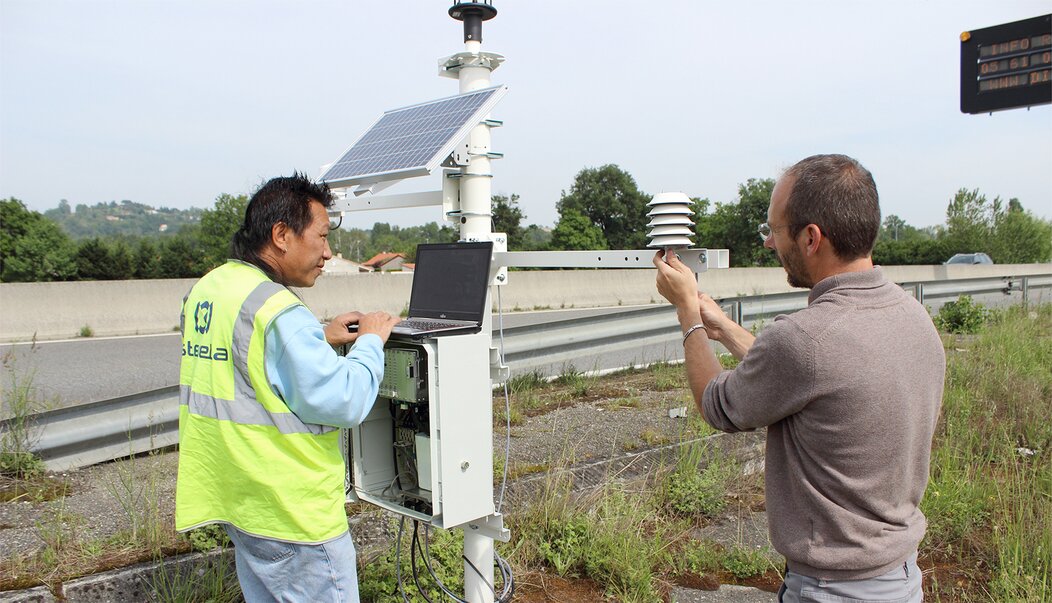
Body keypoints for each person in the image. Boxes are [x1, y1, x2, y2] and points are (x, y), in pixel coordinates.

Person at [654, 154, 944, 602]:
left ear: (811, 238)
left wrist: (688, 316)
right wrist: (725, 328)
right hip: (899, 578)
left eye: (775, 230)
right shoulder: (913, 318)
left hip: (833, 590)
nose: (770, 243)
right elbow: (821, 381)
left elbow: (718, 405)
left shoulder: (804, 339)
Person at [175, 173, 400, 602]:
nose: (328, 252)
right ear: (281, 235)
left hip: (241, 502)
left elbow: (246, 366)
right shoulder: (279, 310)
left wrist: (317, 338)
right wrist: (371, 340)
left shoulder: (209, 289)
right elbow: (345, 400)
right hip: (293, 513)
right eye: (322, 236)